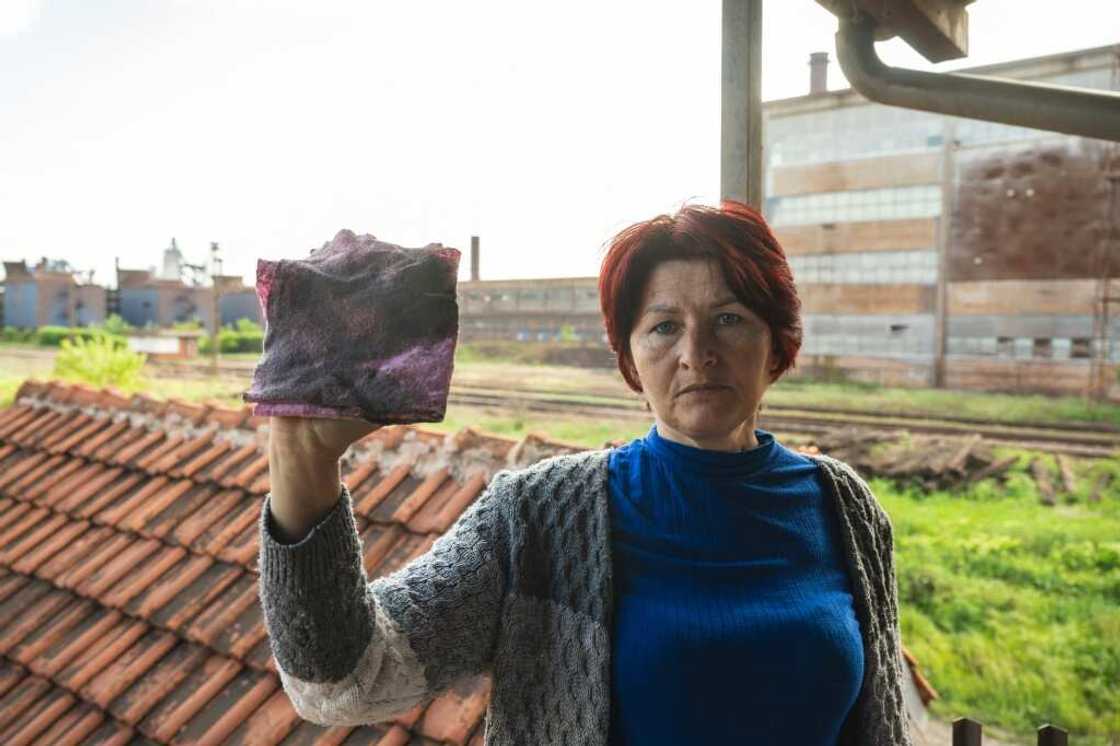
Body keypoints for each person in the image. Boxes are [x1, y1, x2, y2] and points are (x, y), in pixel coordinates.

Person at [258, 200, 915, 745]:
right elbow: (348, 683)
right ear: (630, 361)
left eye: (729, 319)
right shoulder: (538, 516)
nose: (697, 353)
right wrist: (303, 459)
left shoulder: (844, 508)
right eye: (662, 327)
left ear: (777, 345)